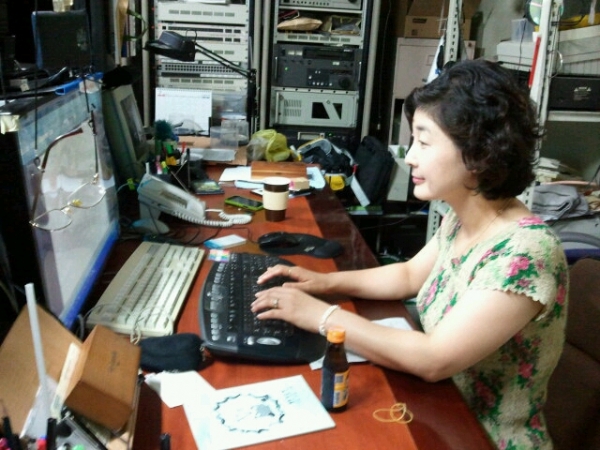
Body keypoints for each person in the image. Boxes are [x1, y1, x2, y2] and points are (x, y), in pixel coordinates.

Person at [251, 58, 568, 450]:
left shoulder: (526, 253)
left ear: (478, 153)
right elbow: (406, 276)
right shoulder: (465, 218)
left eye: (424, 141)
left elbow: (434, 359)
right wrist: (323, 282)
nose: (411, 156)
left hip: (481, 437)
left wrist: (320, 316)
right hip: (437, 412)